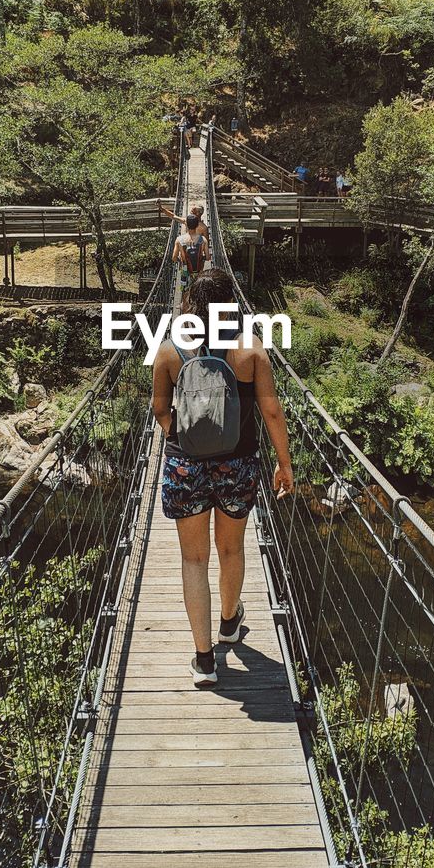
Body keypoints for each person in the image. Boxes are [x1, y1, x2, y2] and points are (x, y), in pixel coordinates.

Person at [151, 267, 295, 685]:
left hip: (185, 466)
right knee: (230, 550)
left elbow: (160, 411)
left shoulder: (169, 351)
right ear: (231, 304)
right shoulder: (251, 350)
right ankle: (229, 624)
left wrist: (183, 438)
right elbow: (271, 411)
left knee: (193, 558)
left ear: (190, 306)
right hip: (238, 465)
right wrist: (284, 464)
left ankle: (204, 660)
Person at [174, 212, 207, 284]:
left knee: (184, 289)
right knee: (198, 288)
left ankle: (184, 290)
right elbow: (208, 257)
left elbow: (173, 258)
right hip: (199, 270)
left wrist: (180, 259)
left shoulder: (179, 239)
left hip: (185, 270)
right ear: (197, 225)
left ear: (186, 225)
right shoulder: (203, 239)